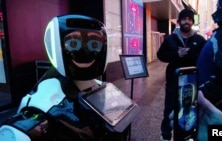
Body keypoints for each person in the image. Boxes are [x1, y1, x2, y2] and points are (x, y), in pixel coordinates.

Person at [0, 14, 132, 141]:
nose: (85, 51)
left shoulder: (98, 85)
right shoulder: (44, 99)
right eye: (73, 44)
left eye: (94, 45)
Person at [157, 8, 206, 141]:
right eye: (184, 19)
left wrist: (191, 55)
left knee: (189, 109)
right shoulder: (171, 39)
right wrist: (175, 55)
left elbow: (204, 59)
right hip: (173, 81)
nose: (187, 21)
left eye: (190, 19)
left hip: (191, 82)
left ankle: (186, 134)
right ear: (179, 21)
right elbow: (160, 55)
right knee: (169, 109)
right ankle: (166, 136)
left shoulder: (200, 40)